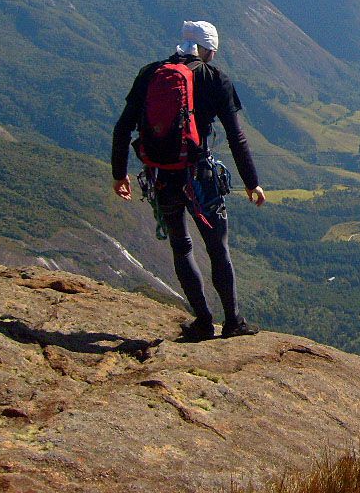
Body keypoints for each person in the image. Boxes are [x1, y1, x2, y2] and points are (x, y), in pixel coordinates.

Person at [111, 20, 266, 341]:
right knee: (218, 249)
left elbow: (123, 127)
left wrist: (119, 173)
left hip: (160, 176)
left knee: (181, 247)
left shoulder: (150, 74)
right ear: (209, 50)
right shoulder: (215, 78)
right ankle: (233, 322)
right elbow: (236, 136)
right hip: (199, 177)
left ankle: (203, 323)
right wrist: (252, 182)